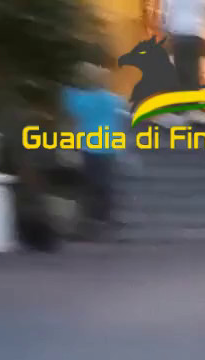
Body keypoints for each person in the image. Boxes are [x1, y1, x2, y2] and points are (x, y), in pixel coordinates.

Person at [61, 63, 127, 236]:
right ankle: (103, 219)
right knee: (104, 185)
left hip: (87, 147)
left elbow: (68, 114)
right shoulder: (112, 99)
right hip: (108, 147)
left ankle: (89, 220)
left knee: (89, 185)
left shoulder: (75, 97)